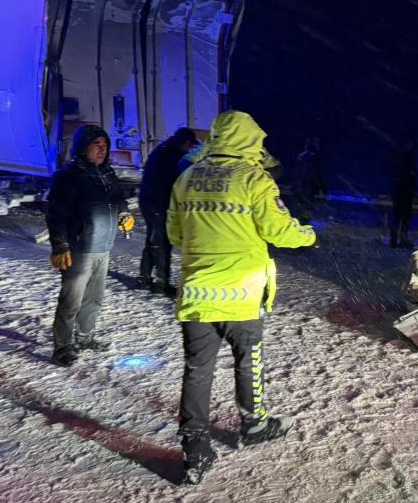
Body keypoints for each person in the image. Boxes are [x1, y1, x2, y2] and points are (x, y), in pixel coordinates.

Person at [167, 110, 316, 486]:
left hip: (198, 291)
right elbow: (278, 230)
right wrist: (308, 234)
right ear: (248, 140)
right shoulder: (254, 179)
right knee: (248, 360)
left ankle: (195, 447)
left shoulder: (187, 178)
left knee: (197, 369)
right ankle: (253, 424)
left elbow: (175, 234)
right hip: (241, 292)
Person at [47, 125, 134, 367]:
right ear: (82, 148)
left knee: (94, 299)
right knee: (71, 301)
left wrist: (124, 213)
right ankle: (62, 347)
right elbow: (56, 214)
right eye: (96, 144)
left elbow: (118, 200)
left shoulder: (106, 173)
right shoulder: (69, 177)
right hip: (79, 249)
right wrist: (60, 245)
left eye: (104, 145)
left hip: (103, 247)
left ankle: (85, 338)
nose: (102, 149)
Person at [137, 127, 199, 295]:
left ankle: (144, 279)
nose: (191, 150)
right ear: (185, 143)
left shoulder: (166, 149)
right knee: (161, 243)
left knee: (154, 241)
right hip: (157, 203)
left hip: (151, 201)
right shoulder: (169, 156)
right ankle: (161, 284)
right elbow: (171, 183)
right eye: (190, 146)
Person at [389, 139, 417, 247]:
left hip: (400, 194)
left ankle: (395, 240)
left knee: (398, 218)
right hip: (404, 194)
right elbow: (409, 177)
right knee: (403, 218)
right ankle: (401, 239)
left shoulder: (399, 159)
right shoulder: (407, 159)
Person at [294, 136, 327, 224]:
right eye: (316, 143)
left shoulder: (301, 156)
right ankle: (303, 227)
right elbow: (316, 173)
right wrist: (322, 188)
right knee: (306, 208)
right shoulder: (313, 157)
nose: (318, 145)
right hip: (308, 186)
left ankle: (300, 224)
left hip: (301, 186)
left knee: (302, 208)